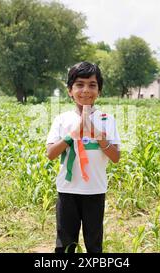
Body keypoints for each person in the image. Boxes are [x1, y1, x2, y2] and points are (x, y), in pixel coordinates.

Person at [46, 61, 121, 253]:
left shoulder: (107, 119)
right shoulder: (62, 119)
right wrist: (74, 133)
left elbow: (115, 157)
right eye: (79, 84)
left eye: (92, 85)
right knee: (65, 243)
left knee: (94, 244)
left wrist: (97, 134)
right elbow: (51, 154)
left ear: (100, 90)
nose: (86, 90)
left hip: (95, 190)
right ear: (70, 90)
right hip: (67, 190)